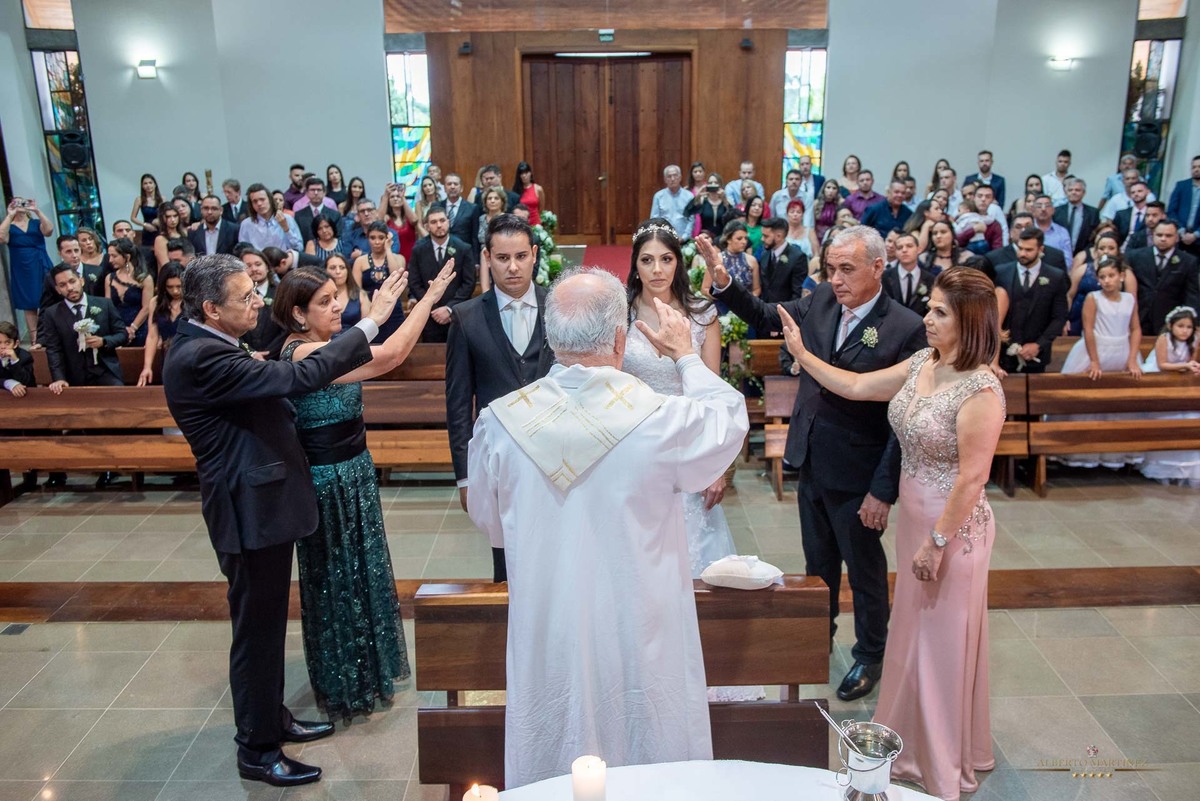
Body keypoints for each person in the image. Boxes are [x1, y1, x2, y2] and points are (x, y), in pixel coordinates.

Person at [467, 267, 748, 788]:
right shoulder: (661, 418)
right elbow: (729, 417)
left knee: (554, 741)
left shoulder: (501, 423)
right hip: (640, 626)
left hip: (550, 625)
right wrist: (686, 355)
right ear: (621, 338)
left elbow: (490, 521)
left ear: (551, 339)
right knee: (649, 750)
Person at [162, 254, 406, 787]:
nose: (257, 303)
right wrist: (370, 321)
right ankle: (257, 749)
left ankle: (272, 718)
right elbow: (300, 375)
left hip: (262, 504)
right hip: (248, 512)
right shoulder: (201, 356)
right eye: (245, 296)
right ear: (211, 308)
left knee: (270, 626)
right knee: (257, 633)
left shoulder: (213, 342)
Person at [776, 265, 1004, 801]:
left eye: (941, 312)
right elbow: (857, 386)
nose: (927, 318)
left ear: (970, 322)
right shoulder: (924, 362)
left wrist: (938, 541)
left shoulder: (982, 388)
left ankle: (942, 756)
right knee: (914, 631)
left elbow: (972, 478)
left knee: (943, 641)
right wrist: (803, 355)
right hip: (917, 520)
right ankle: (910, 737)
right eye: (930, 307)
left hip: (953, 529)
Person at [703, 225, 927, 702]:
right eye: (830, 269)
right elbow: (768, 315)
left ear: (877, 267)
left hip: (860, 470)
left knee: (864, 571)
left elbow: (903, 423)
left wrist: (882, 490)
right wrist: (725, 283)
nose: (836, 279)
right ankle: (818, 635)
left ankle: (871, 653)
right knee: (818, 563)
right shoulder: (823, 299)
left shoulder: (904, 327)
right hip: (812, 459)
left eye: (847, 269)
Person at [275, 258, 454, 720]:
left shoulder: (326, 345)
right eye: (325, 302)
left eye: (336, 297)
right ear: (297, 314)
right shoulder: (301, 355)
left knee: (362, 575)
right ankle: (343, 681)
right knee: (337, 581)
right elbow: (391, 355)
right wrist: (427, 300)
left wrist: (394, 307)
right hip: (328, 482)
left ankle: (366, 673)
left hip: (354, 473)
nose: (337, 307)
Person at [446, 214, 555, 582]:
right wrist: (465, 477)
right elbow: (458, 404)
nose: (513, 267)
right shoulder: (467, 318)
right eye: (503, 258)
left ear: (535, 254)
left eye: (521, 256)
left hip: (559, 456)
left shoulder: (559, 307)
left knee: (558, 557)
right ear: (487, 258)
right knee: (507, 563)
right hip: (498, 462)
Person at [622, 218, 733, 575]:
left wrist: (716, 466)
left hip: (688, 445)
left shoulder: (702, 315)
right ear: (635, 265)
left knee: (690, 559)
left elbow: (713, 393)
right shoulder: (619, 316)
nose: (657, 269)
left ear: (678, 263)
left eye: (666, 259)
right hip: (634, 445)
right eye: (647, 260)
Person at [39, 263, 127, 392]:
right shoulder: (52, 314)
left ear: (81, 281)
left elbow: (122, 334)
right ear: (58, 289)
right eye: (62, 285)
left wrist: (103, 341)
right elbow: (54, 350)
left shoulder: (104, 304)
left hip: (105, 372)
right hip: (73, 376)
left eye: (72, 281)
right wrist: (59, 378)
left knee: (119, 394)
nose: (69, 288)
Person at [1140, 306, 1200, 486]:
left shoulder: (1194, 341)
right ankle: (1161, 465)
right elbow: (1162, 364)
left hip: (1180, 382)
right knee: (1166, 417)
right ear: (1171, 326)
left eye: (1189, 327)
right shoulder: (1164, 339)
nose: (1185, 331)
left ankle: (1186, 467)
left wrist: (1194, 367)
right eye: (1180, 326)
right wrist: (1185, 366)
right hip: (1158, 380)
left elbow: (1192, 361)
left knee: (1190, 416)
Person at [995, 228, 1070, 373]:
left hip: (1037, 356)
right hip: (1004, 356)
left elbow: (1059, 317)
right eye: (1020, 248)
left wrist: (1039, 345)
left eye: (1028, 250)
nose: (1022, 253)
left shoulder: (1056, 277)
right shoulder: (1001, 273)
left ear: (1041, 249)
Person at [408, 205, 477, 342]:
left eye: (442, 220)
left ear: (448, 222)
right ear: (427, 226)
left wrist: (449, 308)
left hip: (457, 315)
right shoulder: (418, 250)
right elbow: (414, 283)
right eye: (433, 222)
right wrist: (432, 307)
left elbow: (469, 283)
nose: (439, 225)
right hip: (429, 316)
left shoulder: (463, 248)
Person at [2, 197, 55, 343]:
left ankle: (52, 332)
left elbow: (49, 230)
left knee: (48, 296)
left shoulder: (35, 223)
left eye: (22, 202)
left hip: (40, 261)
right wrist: (10, 215)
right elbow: (1, 237)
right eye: (16, 202)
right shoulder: (10, 226)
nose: (20, 205)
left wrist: (37, 210)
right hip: (22, 267)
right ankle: (35, 338)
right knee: (28, 301)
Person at [352, 221, 408, 343]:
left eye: (381, 238)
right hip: (370, 312)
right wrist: (368, 310)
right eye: (372, 238)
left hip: (394, 310)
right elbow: (357, 291)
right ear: (367, 239)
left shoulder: (399, 258)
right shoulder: (360, 261)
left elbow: (397, 277)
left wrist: (388, 249)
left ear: (387, 238)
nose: (377, 242)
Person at [1066, 230, 1122, 336]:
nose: (1106, 251)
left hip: (1111, 321)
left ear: (1118, 251)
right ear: (1096, 251)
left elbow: (1130, 301)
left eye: (1111, 248)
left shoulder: (1125, 273)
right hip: (1079, 319)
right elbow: (1069, 295)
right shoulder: (1083, 269)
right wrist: (1065, 318)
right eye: (1102, 248)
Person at [137, 262, 185, 386]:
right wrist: (147, 367)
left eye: (179, 286)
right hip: (168, 357)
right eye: (170, 287)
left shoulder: (193, 301)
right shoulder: (155, 302)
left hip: (190, 357)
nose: (175, 291)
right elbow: (152, 336)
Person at [701, 220, 760, 314]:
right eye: (739, 239)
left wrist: (747, 301)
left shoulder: (752, 260)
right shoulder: (716, 260)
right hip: (722, 310)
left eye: (745, 238)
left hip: (746, 310)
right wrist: (723, 299)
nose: (744, 242)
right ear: (728, 239)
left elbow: (757, 289)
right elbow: (705, 289)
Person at [105, 238, 155, 346]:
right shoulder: (109, 278)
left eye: (114, 256)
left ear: (127, 257)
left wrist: (133, 328)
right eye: (109, 256)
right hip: (116, 328)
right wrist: (119, 329)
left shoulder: (145, 279)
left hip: (139, 327)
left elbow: (146, 308)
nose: (110, 260)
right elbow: (108, 307)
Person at [759, 217, 810, 314]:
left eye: (766, 236)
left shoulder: (798, 257)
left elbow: (797, 293)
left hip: (785, 312)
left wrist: (786, 314)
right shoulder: (765, 255)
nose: (762, 239)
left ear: (779, 236)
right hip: (765, 311)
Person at [239, 183, 303, 254]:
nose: (259, 204)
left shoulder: (287, 219)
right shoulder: (246, 224)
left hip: (283, 259)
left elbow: (298, 248)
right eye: (255, 201)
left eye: (262, 199)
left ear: (270, 200)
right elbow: (243, 252)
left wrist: (286, 229)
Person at [884, 232, 936, 318]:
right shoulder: (885, 277)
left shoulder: (930, 279)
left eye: (909, 246)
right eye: (900, 247)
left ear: (918, 249)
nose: (904, 250)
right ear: (896, 252)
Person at [1053, 178, 1100, 255]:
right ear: (1066, 192)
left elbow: (1095, 236)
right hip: (1059, 254)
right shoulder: (1056, 211)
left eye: (1077, 190)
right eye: (1070, 190)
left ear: (1084, 193)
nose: (1073, 192)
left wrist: (1085, 253)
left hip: (1084, 255)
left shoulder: (1093, 213)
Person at [324, 253, 369, 328]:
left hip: (356, 335)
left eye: (342, 267)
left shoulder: (361, 295)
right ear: (325, 271)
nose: (338, 271)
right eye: (332, 268)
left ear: (348, 270)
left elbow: (367, 327)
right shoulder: (319, 296)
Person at [476, 187, 508, 290]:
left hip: (502, 254)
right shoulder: (480, 219)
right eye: (489, 198)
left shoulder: (507, 219)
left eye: (496, 198)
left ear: (502, 201)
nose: (492, 201)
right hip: (484, 256)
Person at [651, 164, 694, 240]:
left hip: (684, 239)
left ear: (680, 178)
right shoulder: (658, 196)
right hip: (664, 239)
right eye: (669, 176)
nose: (672, 179)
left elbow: (691, 220)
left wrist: (684, 237)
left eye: (675, 175)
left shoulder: (689, 196)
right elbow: (654, 220)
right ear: (665, 180)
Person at [685, 174, 733, 240]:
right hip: (705, 237)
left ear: (720, 185)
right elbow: (687, 212)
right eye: (710, 183)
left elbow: (732, 218)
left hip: (722, 238)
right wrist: (698, 195)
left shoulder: (726, 201)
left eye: (716, 183)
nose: (713, 185)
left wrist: (725, 200)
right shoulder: (703, 200)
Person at [381, 184, 419, 262]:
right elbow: (378, 221)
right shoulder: (386, 218)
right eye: (392, 197)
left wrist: (403, 197)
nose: (395, 199)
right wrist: (385, 196)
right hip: (394, 259)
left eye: (398, 196)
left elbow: (415, 220)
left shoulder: (408, 217)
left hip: (412, 257)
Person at [0, 321, 34, 397]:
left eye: (7, 343)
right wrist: (8, 383)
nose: (3, 347)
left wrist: (14, 360)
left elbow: (27, 382)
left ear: (16, 344)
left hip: (24, 397)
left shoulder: (25, 357)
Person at [130, 173, 164, 245]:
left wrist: (159, 221)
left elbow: (166, 215)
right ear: (142, 186)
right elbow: (133, 218)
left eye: (150, 183)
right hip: (147, 231)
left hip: (160, 230)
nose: (148, 185)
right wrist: (144, 225)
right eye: (145, 183)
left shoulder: (162, 199)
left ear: (155, 184)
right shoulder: (139, 199)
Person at [511, 160, 545, 226]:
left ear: (530, 173)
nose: (524, 175)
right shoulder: (516, 190)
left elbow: (541, 208)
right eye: (521, 174)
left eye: (526, 173)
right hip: (521, 223)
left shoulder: (538, 189)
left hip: (535, 223)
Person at [812, 179, 843, 245]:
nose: (831, 191)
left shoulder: (839, 204)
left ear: (837, 191)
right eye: (828, 187)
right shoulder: (816, 203)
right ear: (824, 189)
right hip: (817, 236)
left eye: (834, 188)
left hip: (832, 236)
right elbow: (812, 223)